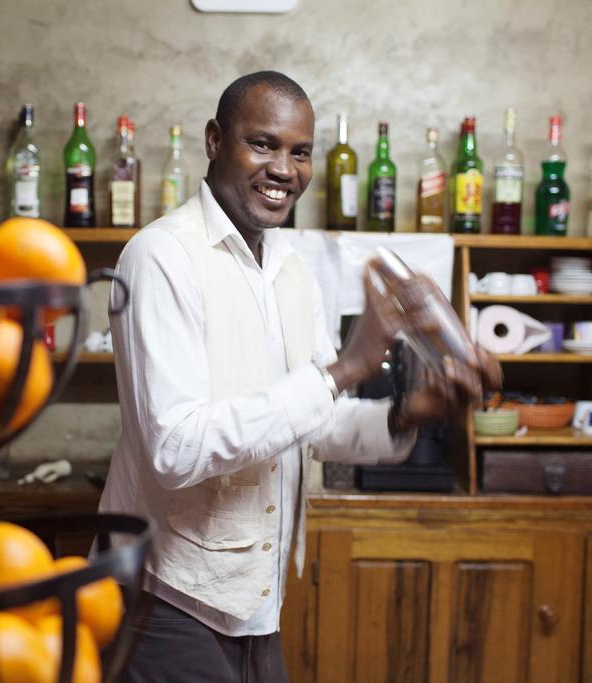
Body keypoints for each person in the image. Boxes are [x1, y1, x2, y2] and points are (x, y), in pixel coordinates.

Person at [100, 71, 498, 683]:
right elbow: (175, 449)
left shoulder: (291, 267)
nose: (284, 168)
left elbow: (313, 423)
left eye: (300, 151)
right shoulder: (160, 257)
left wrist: (406, 413)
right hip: (165, 596)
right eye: (262, 144)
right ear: (214, 140)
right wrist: (343, 369)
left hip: (255, 603)